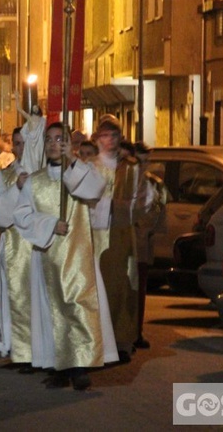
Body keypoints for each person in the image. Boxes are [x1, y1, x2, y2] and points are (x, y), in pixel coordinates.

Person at [13, 122, 118, 390]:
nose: (53, 144)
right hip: (47, 253)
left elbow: (95, 189)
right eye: (49, 139)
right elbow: (23, 216)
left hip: (78, 253)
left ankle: (79, 366)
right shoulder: (34, 180)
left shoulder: (82, 173)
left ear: (70, 144)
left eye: (60, 139)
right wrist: (49, 225)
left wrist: (72, 162)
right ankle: (57, 365)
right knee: (51, 311)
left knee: (78, 305)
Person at [90, 116, 148, 362]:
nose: (110, 141)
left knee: (124, 286)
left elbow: (142, 201)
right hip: (97, 235)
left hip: (123, 234)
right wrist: (108, 206)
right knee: (99, 288)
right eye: (105, 136)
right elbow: (84, 200)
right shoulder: (90, 166)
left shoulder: (131, 168)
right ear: (97, 139)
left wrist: (125, 208)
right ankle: (99, 341)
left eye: (114, 136)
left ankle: (123, 342)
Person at [0, 127, 32, 366]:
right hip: (15, 245)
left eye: (25, 142)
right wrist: (17, 189)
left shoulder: (46, 173)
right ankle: (19, 349)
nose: (21, 147)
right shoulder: (4, 176)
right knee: (16, 297)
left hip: (39, 247)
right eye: (17, 143)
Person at [133, 142, 167, 349]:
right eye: (139, 161)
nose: (143, 166)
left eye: (146, 162)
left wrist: (150, 229)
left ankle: (137, 331)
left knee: (140, 292)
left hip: (143, 245)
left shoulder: (155, 184)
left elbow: (161, 214)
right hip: (127, 244)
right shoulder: (122, 181)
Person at [16, 103, 45, 174]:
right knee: (31, 162)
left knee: (39, 161)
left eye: (36, 108)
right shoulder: (30, 118)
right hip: (30, 144)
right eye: (34, 108)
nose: (35, 109)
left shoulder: (43, 121)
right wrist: (17, 99)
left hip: (39, 143)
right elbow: (19, 109)